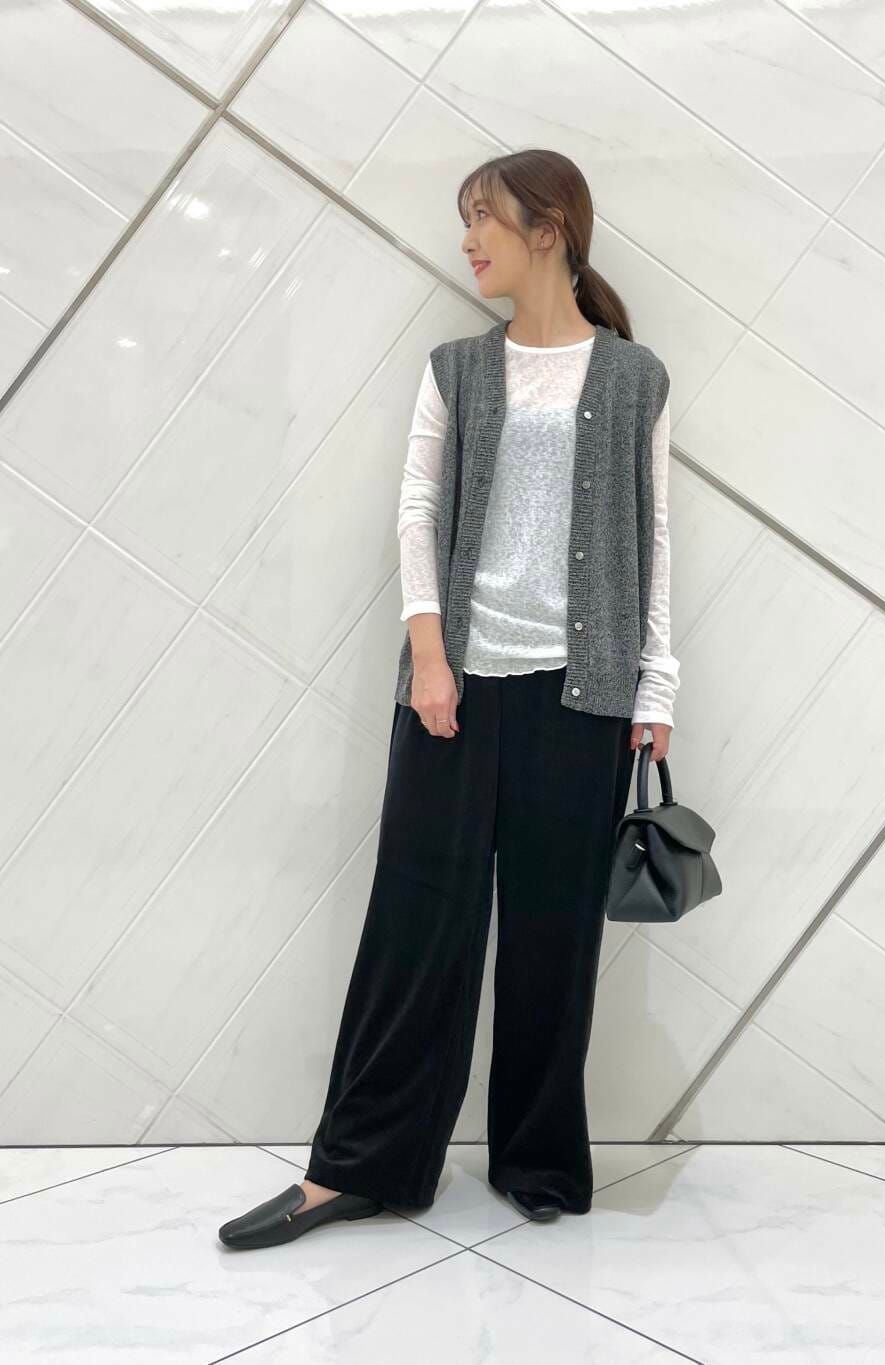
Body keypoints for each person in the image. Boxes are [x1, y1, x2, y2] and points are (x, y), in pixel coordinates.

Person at [219, 149, 678, 1252]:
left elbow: (654, 535)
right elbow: (416, 511)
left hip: (584, 696)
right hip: (454, 690)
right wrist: (430, 657)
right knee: (416, 926)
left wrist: (656, 684)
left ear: (549, 230)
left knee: (554, 940)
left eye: (485, 220)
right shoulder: (456, 368)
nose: (468, 242)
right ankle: (358, 1166)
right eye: (465, 220)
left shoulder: (635, 378)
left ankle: (539, 1161)